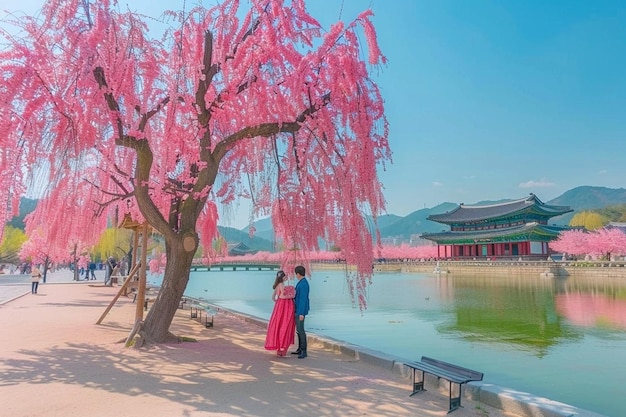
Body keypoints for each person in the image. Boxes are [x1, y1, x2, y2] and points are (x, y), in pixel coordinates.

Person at [264, 270, 296, 357]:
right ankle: (282, 348)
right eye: (285, 276)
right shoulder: (281, 285)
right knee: (284, 324)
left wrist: (278, 303)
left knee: (279, 323)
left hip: (279, 305)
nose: (286, 278)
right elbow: (282, 295)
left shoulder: (277, 285)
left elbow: (273, 298)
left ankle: (280, 348)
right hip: (284, 306)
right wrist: (291, 296)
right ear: (283, 277)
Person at [292, 265, 310, 359]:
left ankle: (304, 350)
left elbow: (303, 299)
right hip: (297, 309)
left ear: (298, 274)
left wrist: (301, 313)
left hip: (300, 310)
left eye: (296, 274)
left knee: (301, 330)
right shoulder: (301, 282)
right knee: (298, 330)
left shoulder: (303, 284)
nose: (296, 275)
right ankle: (299, 348)